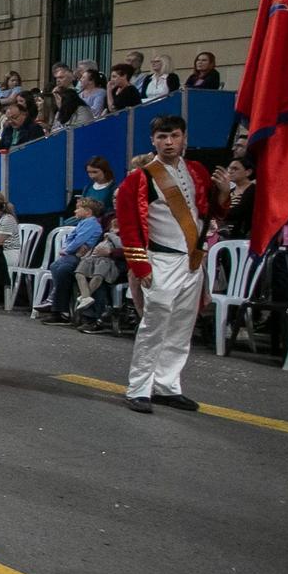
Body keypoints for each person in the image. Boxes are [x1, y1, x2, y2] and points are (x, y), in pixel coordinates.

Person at [116, 114, 232, 413]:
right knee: (154, 327)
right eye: (162, 137)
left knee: (182, 327)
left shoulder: (197, 171)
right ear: (153, 140)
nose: (169, 143)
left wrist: (223, 190)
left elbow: (211, 213)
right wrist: (141, 267)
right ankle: (139, 387)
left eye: (175, 136)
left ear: (184, 138)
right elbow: (129, 228)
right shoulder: (139, 178)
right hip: (161, 259)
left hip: (192, 261)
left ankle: (167, 386)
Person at [35, 196, 106, 323]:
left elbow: (80, 240)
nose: (75, 212)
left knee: (63, 268)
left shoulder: (91, 223)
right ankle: (57, 304)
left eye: (78, 209)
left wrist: (66, 250)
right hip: (75, 254)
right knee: (55, 266)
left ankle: (58, 309)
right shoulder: (82, 223)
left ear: (88, 212)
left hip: (86, 258)